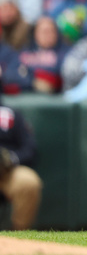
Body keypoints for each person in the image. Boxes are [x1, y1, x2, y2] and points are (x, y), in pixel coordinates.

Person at [0, 91, 42, 229]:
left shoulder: (11, 114)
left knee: (29, 182)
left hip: (7, 171)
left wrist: (11, 159)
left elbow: (30, 149)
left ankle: (19, 237)